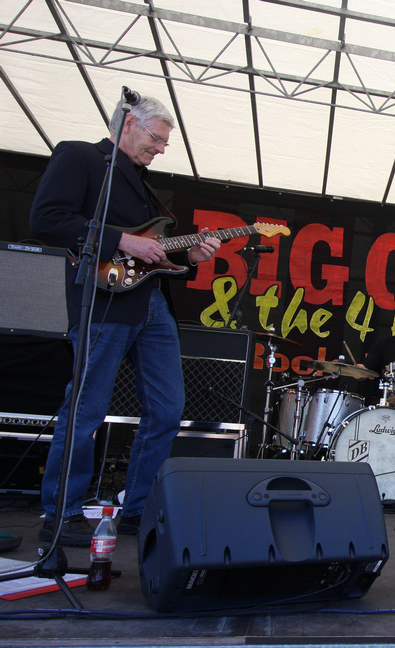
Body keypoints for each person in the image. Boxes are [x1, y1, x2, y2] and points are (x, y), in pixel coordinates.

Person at [30, 94, 220, 546]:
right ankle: (61, 512)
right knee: (87, 408)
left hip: (151, 305)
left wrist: (189, 257)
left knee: (168, 408)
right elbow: (47, 218)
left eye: (164, 143)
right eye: (157, 138)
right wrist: (122, 240)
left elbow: (153, 254)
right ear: (129, 123)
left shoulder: (141, 182)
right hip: (104, 301)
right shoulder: (80, 156)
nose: (160, 148)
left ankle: (138, 508)